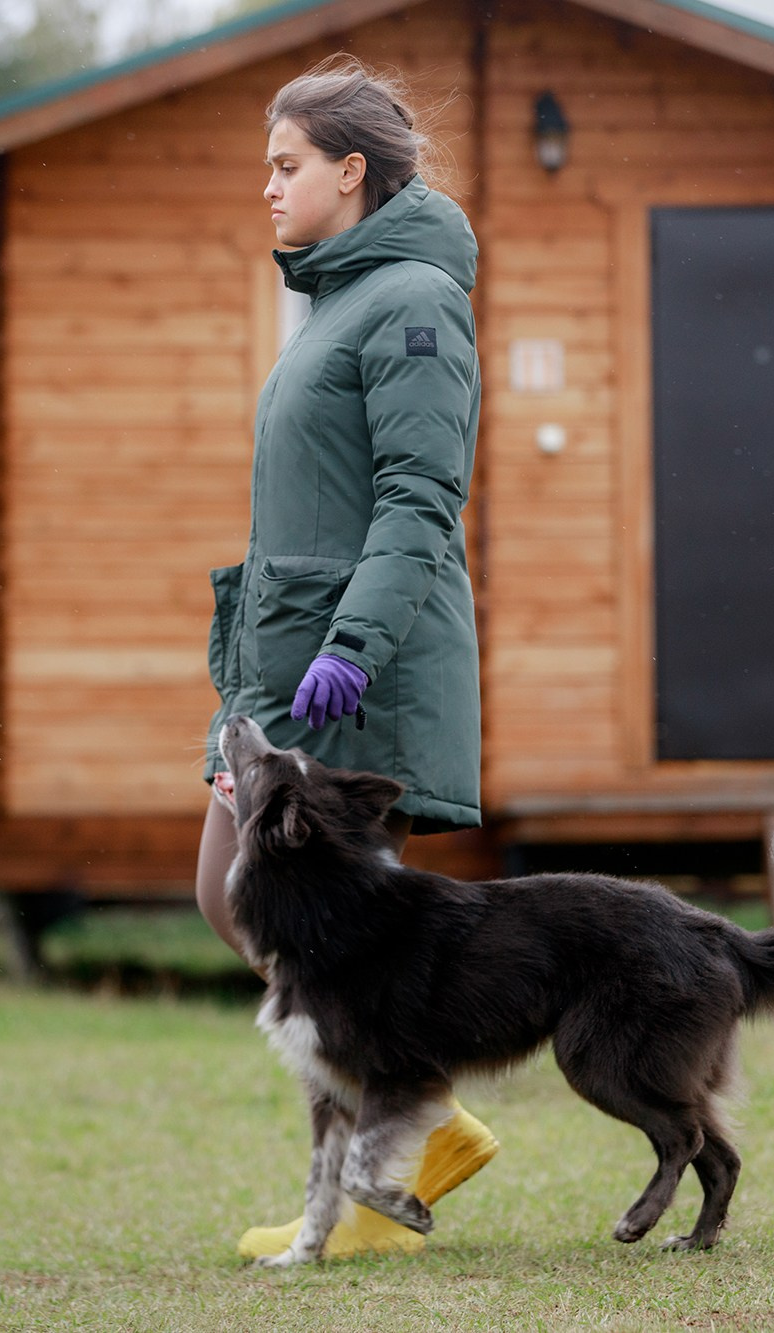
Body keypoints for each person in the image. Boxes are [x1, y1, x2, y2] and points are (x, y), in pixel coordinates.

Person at [196, 53, 496, 1260]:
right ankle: (424, 1121)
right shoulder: (340, 301)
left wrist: (353, 650)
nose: (266, 187)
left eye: (285, 165)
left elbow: (418, 500)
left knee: (309, 932)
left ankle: (390, 1172)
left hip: (359, 672)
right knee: (233, 896)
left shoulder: (414, 302)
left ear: (350, 171)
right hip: (288, 669)